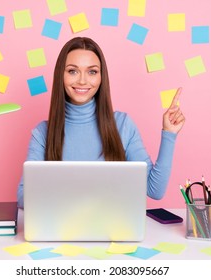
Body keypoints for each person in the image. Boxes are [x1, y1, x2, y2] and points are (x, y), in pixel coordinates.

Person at [17, 37, 185, 208]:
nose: (82, 80)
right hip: (63, 231)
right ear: (61, 75)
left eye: (92, 72)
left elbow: (154, 190)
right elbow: (23, 197)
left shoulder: (122, 125)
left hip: (111, 231)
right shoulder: (42, 133)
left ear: (101, 77)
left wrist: (169, 134)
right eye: (73, 71)